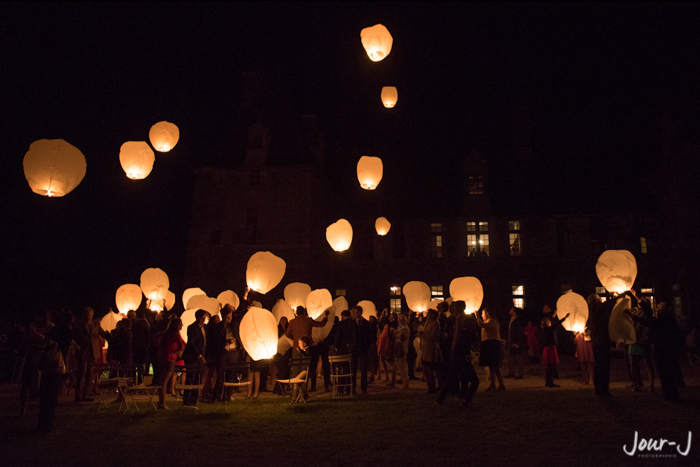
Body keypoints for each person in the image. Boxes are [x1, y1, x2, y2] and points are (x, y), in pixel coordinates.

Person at [626, 300, 684, 402]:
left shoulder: (664, 320)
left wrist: (633, 316)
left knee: (666, 373)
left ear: (664, 310)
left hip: (664, 350)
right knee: (666, 372)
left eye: (659, 309)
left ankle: (670, 394)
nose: (657, 310)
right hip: (665, 349)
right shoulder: (667, 319)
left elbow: (649, 322)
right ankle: (669, 394)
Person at [436, 301, 479, 408]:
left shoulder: (463, 319)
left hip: (458, 352)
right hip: (458, 352)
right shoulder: (457, 319)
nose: (453, 308)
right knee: (473, 380)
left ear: (460, 308)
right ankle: (466, 400)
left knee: (452, 376)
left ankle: (440, 398)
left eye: (454, 306)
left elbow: (464, 337)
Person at [72, 307, 109, 404]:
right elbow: (76, 337)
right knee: (82, 374)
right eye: (87, 315)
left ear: (92, 316)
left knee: (90, 374)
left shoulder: (95, 325)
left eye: (90, 315)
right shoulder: (79, 326)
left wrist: (111, 336)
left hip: (93, 352)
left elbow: (102, 333)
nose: (88, 317)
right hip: (83, 352)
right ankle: (78, 396)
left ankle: (86, 394)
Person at [588, 293, 616, 397]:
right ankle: (603, 389)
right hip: (601, 342)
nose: (601, 299)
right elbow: (605, 306)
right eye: (599, 298)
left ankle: (600, 389)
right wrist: (616, 297)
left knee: (599, 366)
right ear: (595, 300)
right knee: (603, 366)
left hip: (598, 341)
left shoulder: (595, 309)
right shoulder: (595, 308)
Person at [474, 308, 505, 391]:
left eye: (483, 314)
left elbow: (481, 324)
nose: (482, 315)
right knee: (492, 366)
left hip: (493, 344)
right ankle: (493, 385)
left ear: (487, 314)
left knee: (495, 366)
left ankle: (501, 385)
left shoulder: (492, 321)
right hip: (489, 344)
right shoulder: (489, 322)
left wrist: (476, 314)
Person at [628, 298, 655, 392]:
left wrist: (637, 297)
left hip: (644, 340)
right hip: (634, 340)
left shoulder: (647, 312)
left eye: (643, 300)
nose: (640, 300)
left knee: (648, 364)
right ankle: (635, 385)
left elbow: (645, 312)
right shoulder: (635, 311)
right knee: (633, 364)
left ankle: (651, 386)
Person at [157, 318, 185, 410]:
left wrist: (159, 346)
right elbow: (182, 346)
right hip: (170, 358)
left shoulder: (166, 333)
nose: (182, 325)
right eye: (181, 324)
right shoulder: (176, 335)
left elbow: (156, 336)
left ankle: (161, 400)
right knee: (165, 381)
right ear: (177, 325)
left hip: (162, 357)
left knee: (162, 380)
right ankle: (163, 402)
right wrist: (175, 350)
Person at [182, 309, 207, 405]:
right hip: (192, 357)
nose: (203, 320)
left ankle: (194, 399)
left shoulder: (205, 328)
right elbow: (192, 344)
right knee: (190, 377)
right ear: (197, 317)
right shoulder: (192, 328)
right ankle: (186, 399)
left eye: (204, 318)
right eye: (202, 318)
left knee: (198, 378)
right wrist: (199, 355)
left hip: (201, 356)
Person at [540, 309, 569, 388]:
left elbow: (553, 322)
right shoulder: (549, 329)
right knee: (551, 366)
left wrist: (554, 314)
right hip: (550, 349)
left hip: (547, 349)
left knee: (549, 366)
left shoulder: (544, 330)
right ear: (547, 323)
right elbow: (557, 324)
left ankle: (548, 381)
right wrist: (565, 317)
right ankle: (550, 382)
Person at [349, 306, 374, 395]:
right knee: (353, 369)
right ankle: (353, 388)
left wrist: (367, 345)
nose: (355, 314)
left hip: (363, 348)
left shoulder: (366, 323)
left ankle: (364, 388)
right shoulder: (351, 323)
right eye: (354, 312)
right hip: (354, 349)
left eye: (357, 312)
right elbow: (349, 335)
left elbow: (370, 336)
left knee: (364, 369)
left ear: (360, 312)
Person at [419, 309, 441, 394]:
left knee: (429, 369)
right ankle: (429, 387)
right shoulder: (427, 323)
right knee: (425, 369)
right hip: (425, 348)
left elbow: (433, 336)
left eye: (428, 314)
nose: (427, 315)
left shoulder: (435, 324)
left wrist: (424, 334)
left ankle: (432, 388)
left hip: (430, 348)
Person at [390, 313, 410, 389]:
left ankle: (405, 384)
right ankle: (393, 382)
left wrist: (394, 331)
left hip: (402, 350)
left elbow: (401, 337)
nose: (398, 321)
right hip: (399, 349)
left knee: (402, 368)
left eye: (399, 319)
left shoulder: (404, 329)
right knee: (395, 368)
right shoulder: (402, 327)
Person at [506, 307, 526, 379]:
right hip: (510, 342)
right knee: (510, 358)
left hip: (516, 342)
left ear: (514, 312)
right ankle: (511, 372)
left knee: (518, 358)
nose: (509, 310)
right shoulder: (510, 321)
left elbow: (520, 333)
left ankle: (520, 374)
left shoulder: (518, 321)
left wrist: (518, 343)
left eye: (511, 310)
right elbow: (509, 331)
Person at [376, 309, 396, 381]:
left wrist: (386, 314)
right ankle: (379, 375)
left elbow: (387, 322)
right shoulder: (386, 323)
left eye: (391, 316)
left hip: (386, 341)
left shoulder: (392, 323)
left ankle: (386, 375)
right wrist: (381, 316)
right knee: (379, 358)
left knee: (382, 358)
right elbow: (379, 325)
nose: (389, 317)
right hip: (382, 340)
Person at [132, 308, 151, 382]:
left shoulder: (132, 323)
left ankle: (133, 381)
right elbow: (148, 335)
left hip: (135, 347)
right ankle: (140, 381)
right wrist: (147, 345)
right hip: (142, 347)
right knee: (140, 365)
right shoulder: (143, 323)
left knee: (134, 366)